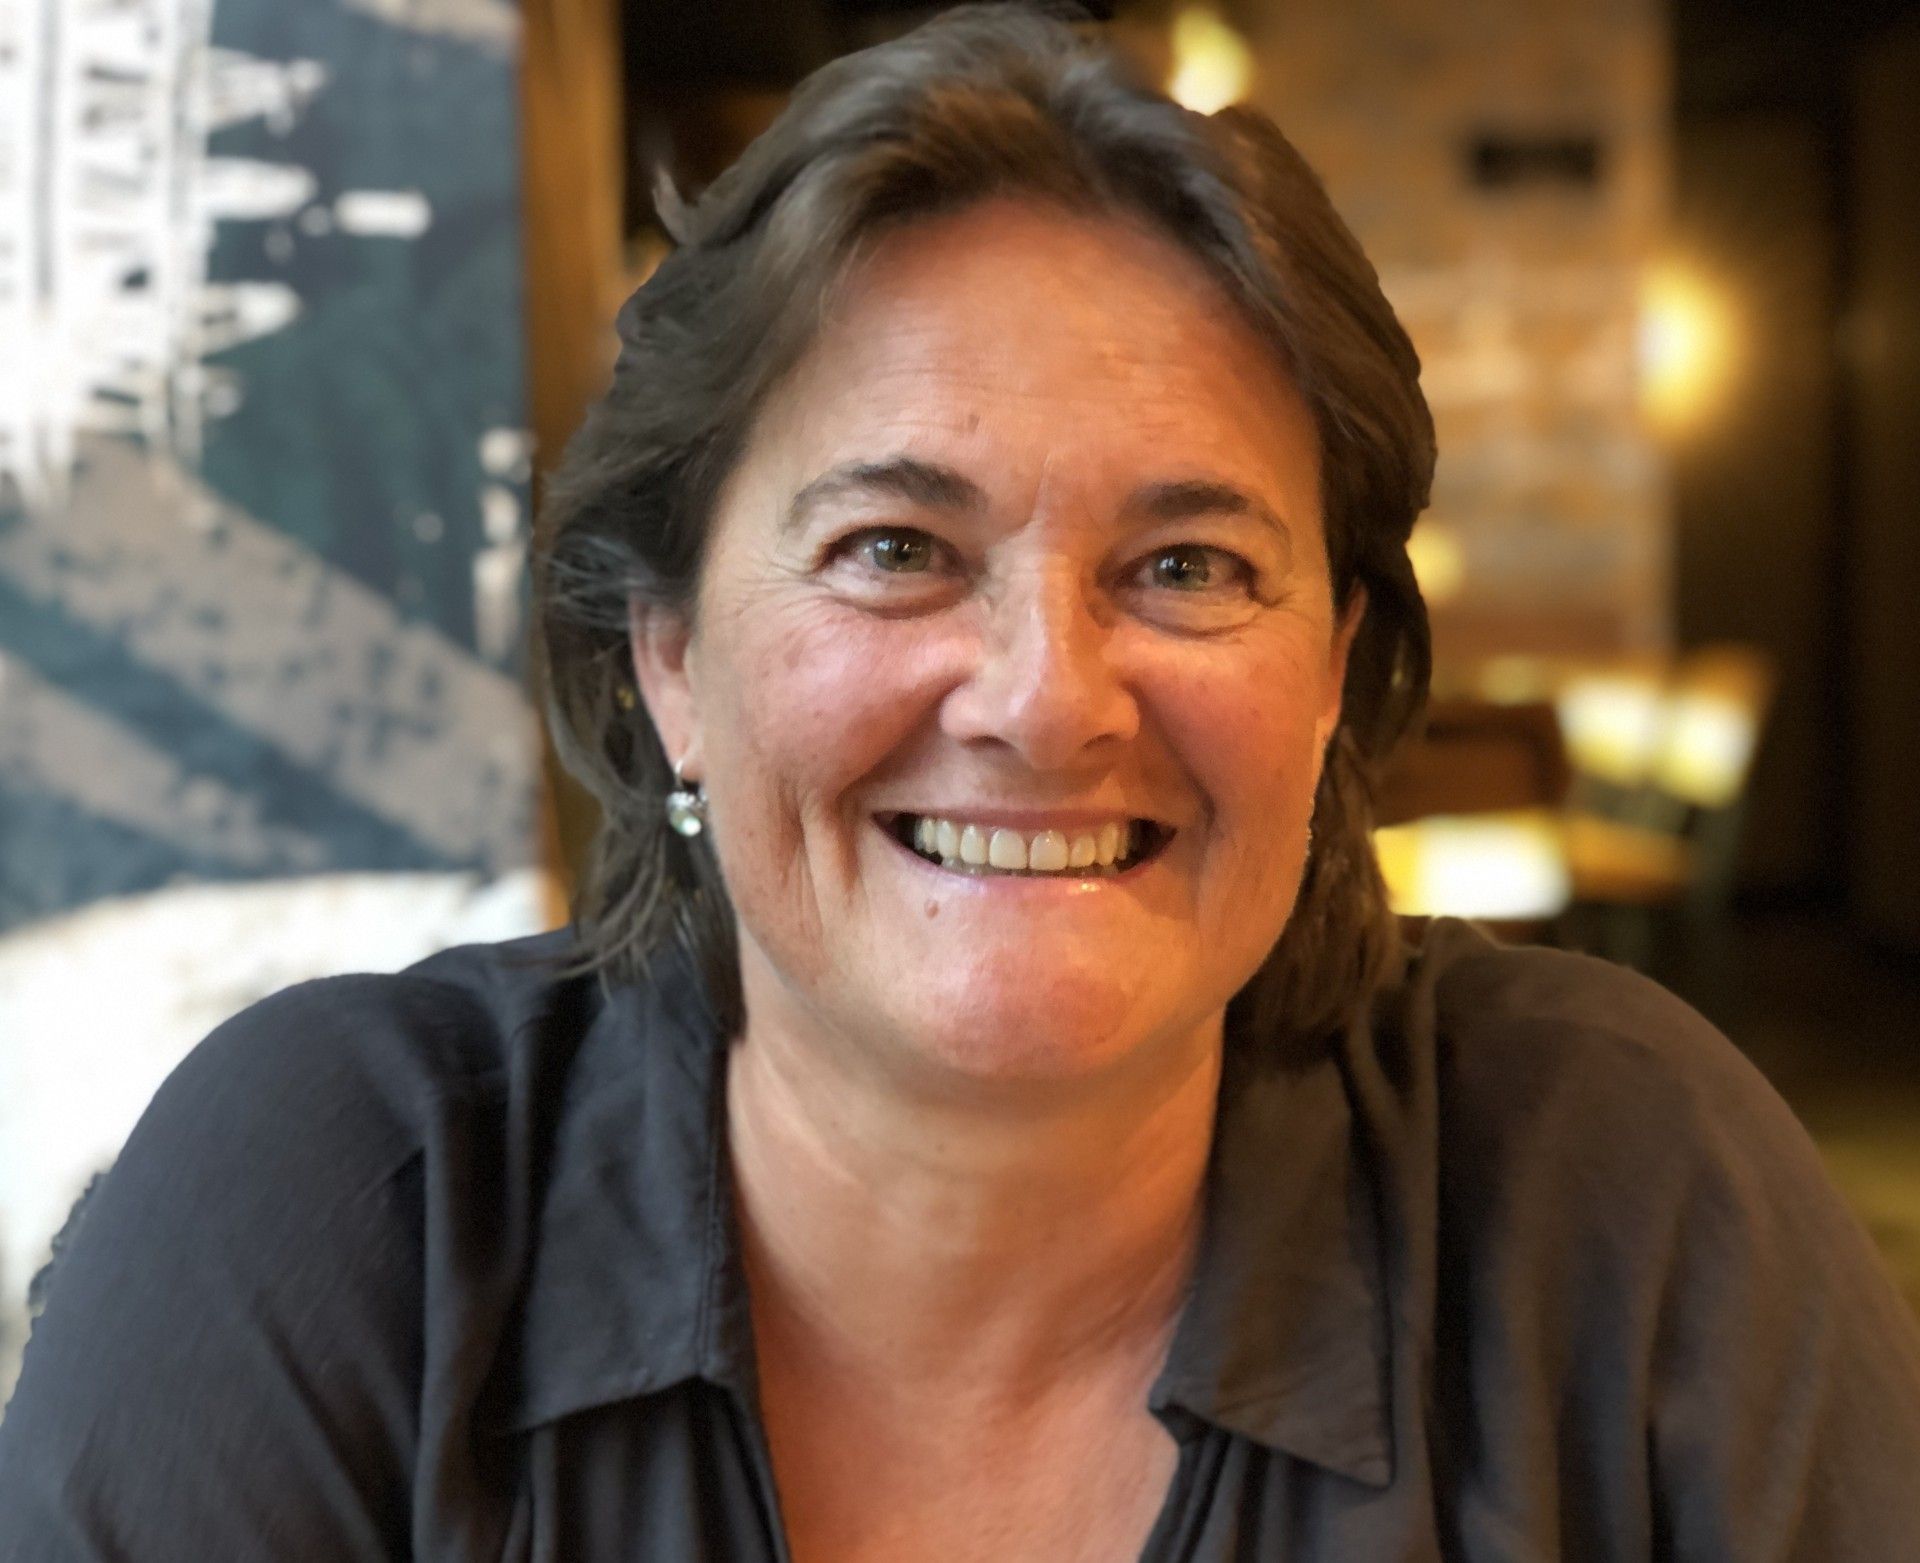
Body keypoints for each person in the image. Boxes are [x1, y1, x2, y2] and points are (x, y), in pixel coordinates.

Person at [4, 5, 1919, 1559]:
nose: (1046, 701)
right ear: (669, 657)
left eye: (1189, 566)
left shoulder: (1621, 1210)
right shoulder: (338, 1220)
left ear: (1333, 672)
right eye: (895, 550)